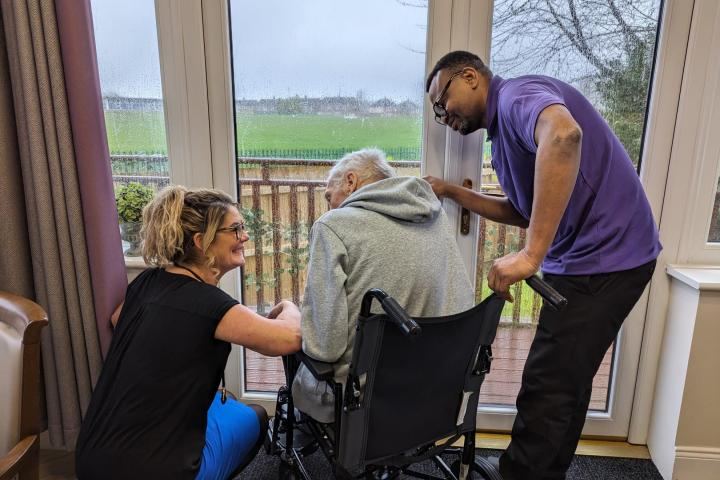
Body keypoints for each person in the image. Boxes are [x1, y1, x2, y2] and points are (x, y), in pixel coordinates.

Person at [424, 50, 661, 479]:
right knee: (566, 379)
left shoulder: (518, 96)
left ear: (471, 76)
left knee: (548, 384)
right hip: (599, 256)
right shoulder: (502, 140)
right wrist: (451, 192)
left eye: (443, 102)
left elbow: (565, 136)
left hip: (608, 256)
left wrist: (531, 256)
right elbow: (523, 210)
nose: (444, 117)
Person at [75, 186, 302, 480]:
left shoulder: (148, 281)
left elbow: (119, 319)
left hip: (91, 462)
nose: (244, 236)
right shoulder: (210, 305)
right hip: (161, 473)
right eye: (235, 229)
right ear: (201, 242)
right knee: (256, 416)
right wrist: (289, 306)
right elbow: (288, 338)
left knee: (221, 404)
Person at [291, 148, 475, 424]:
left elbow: (324, 347)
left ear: (351, 182)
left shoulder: (334, 226)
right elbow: (462, 299)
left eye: (330, 196)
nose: (330, 206)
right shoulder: (434, 217)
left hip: (361, 403)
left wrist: (296, 322)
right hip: (436, 389)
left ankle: (303, 427)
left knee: (298, 347)